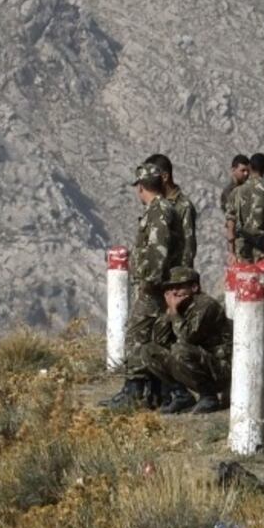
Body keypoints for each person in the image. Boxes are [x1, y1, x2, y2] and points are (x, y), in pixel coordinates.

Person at [104, 162, 186, 409]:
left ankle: (136, 390)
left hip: (155, 287)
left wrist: (150, 282)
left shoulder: (159, 211)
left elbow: (158, 250)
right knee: (154, 339)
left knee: (136, 335)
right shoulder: (161, 209)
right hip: (158, 285)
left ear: (140, 187)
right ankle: (156, 391)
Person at [136, 266, 231, 414]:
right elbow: (159, 340)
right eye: (171, 288)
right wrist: (169, 313)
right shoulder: (180, 307)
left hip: (220, 367)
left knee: (180, 350)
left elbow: (187, 337)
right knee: (148, 350)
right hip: (199, 362)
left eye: (179, 287)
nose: (174, 292)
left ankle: (209, 396)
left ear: (194, 287)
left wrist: (174, 312)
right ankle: (181, 395)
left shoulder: (206, 305)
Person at [226, 152, 264, 263]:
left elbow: (230, 225)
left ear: (250, 167)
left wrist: (231, 252)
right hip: (263, 249)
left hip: (242, 250)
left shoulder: (237, 191)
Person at [145, 153, 198, 268]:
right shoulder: (156, 205)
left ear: (164, 177)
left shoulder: (183, 206)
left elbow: (188, 249)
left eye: (152, 177)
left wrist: (180, 281)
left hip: (174, 277)